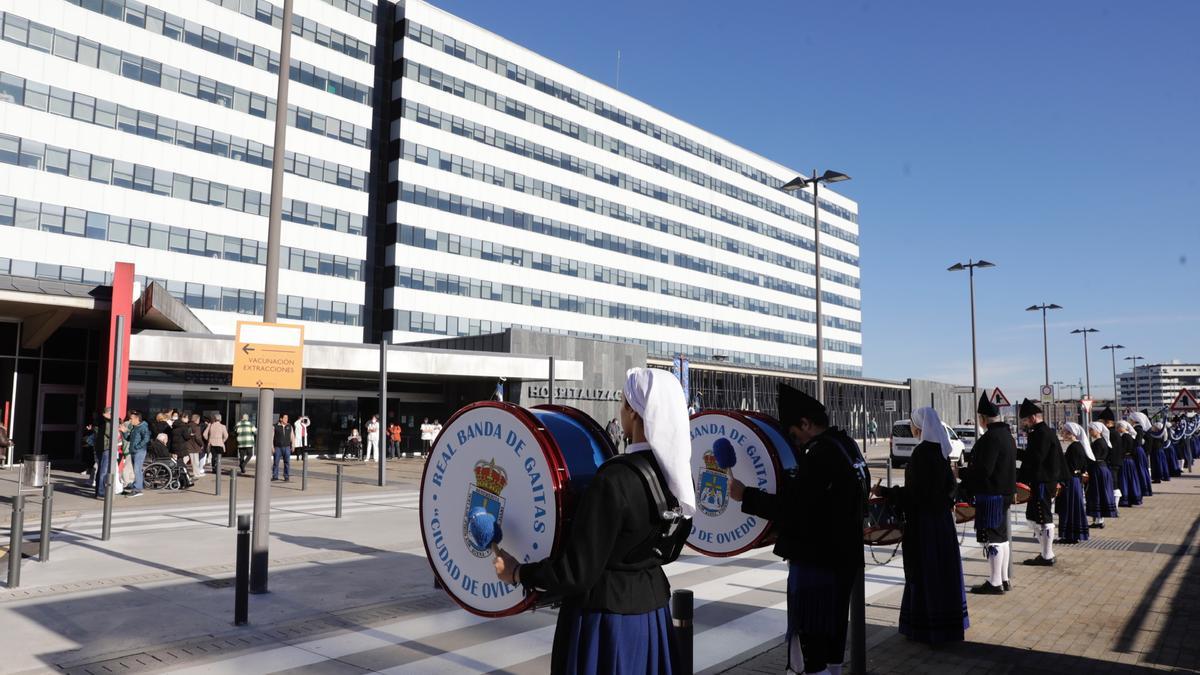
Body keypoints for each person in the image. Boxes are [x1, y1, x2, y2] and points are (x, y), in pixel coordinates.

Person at [493, 367, 693, 675]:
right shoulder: (677, 478)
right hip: (651, 613)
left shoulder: (615, 479)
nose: (620, 411)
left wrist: (518, 572)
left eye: (623, 402)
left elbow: (577, 573)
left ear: (635, 412)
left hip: (605, 621)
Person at [729, 383, 870, 674]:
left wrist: (747, 496)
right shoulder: (847, 446)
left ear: (805, 423)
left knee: (813, 649)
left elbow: (796, 508)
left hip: (818, 566)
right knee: (833, 645)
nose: (795, 443)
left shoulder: (819, 454)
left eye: (794, 434)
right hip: (844, 560)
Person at [874, 407, 968, 644]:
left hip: (924, 524)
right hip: (942, 524)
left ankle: (925, 628)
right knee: (942, 572)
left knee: (924, 572)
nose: (913, 430)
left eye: (914, 426)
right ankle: (947, 627)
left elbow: (914, 494)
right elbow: (949, 488)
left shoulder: (920, 454)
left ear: (920, 428)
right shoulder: (942, 452)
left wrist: (885, 492)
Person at [959, 393, 1016, 594]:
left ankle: (994, 582)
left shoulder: (991, 438)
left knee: (992, 538)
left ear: (982, 418)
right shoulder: (1007, 436)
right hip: (1005, 492)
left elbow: (984, 470)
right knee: (1001, 537)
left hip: (992, 494)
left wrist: (962, 473)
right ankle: (1004, 578)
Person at [1016, 399, 1063, 566]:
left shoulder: (1040, 433)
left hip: (1043, 481)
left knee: (1044, 517)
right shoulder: (1043, 431)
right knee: (1034, 517)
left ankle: (1048, 555)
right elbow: (1033, 456)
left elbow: (1036, 459)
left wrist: (1020, 475)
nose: (1024, 424)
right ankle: (1044, 553)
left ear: (1033, 418)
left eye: (1025, 420)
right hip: (1043, 480)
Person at [1055, 423, 1090, 544]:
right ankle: (1073, 534)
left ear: (1071, 434)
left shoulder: (1074, 447)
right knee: (1074, 506)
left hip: (1070, 480)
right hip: (1075, 480)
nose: (1062, 434)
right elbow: (1084, 466)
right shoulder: (1078, 446)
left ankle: (1069, 535)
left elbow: (1070, 467)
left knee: (1069, 507)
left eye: (1064, 432)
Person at [1085, 422, 1118, 528]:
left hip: (1097, 469)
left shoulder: (1099, 443)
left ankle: (1099, 520)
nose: (1090, 432)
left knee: (1097, 493)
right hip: (1102, 468)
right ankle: (1098, 519)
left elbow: (1093, 458)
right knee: (1099, 493)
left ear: (1098, 431)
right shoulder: (1102, 441)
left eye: (1091, 430)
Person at [121, 410, 149, 497]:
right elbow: (129, 438)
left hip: (139, 451)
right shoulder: (135, 427)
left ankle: (137, 489)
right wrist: (124, 431)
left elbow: (146, 439)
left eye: (131, 418)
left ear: (137, 419)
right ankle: (137, 486)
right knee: (136, 470)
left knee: (137, 470)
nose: (130, 420)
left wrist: (137, 447)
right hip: (134, 451)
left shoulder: (143, 427)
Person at [1115, 421, 1143, 507]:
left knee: (1124, 480)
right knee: (1131, 479)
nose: (1117, 429)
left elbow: (1122, 450)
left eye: (1119, 427)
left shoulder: (1124, 437)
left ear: (1123, 428)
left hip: (1125, 461)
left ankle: (1125, 500)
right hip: (1130, 461)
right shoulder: (1130, 436)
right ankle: (1132, 498)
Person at [272, 413, 294, 481]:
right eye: (285, 418)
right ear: (281, 419)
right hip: (277, 447)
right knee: (276, 462)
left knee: (287, 462)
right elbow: (271, 437)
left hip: (287, 447)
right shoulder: (275, 426)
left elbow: (292, 436)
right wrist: (272, 447)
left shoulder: (289, 426)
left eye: (287, 418)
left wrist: (293, 445)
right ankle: (275, 476)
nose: (286, 419)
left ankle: (286, 476)